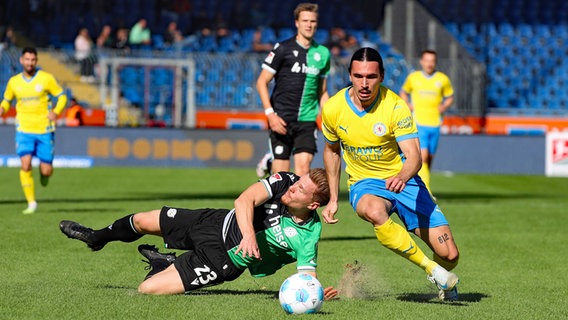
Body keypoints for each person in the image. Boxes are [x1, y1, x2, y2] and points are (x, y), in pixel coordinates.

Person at [59, 168, 338, 298]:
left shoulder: (309, 236)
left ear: (313, 204)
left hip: (222, 261)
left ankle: (162, 263)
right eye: (297, 183)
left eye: (300, 190)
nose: (293, 188)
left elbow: (306, 277)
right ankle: (96, 238)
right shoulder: (284, 180)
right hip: (214, 222)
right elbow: (243, 201)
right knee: (142, 220)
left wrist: (315, 293)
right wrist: (250, 234)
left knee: (148, 290)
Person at [321, 47, 460, 301]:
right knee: (374, 211)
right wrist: (332, 198)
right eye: (358, 76)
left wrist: (403, 176)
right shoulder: (333, 109)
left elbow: (414, 156)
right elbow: (331, 152)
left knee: (450, 256)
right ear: (350, 75)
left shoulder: (396, 106)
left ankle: (442, 271)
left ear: (382, 76)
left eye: (371, 77)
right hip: (365, 184)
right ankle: (432, 270)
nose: (364, 83)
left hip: (404, 181)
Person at [255, 3, 331, 178]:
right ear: (297, 22)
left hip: (307, 120)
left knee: (303, 172)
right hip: (281, 119)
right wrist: (270, 115)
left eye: (313, 21)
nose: (309, 24)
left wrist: (328, 118)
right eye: (305, 20)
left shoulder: (323, 54)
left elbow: (323, 91)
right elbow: (261, 82)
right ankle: (270, 160)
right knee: (281, 177)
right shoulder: (283, 49)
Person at [0, 47, 68, 214]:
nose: (30, 63)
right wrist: (2, 108)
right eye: (27, 59)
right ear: (21, 60)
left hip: (44, 129)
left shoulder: (46, 79)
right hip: (24, 129)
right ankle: (31, 203)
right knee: (25, 164)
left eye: (33, 60)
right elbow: (7, 100)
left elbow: (62, 96)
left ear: (36, 61)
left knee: (46, 170)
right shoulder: (14, 82)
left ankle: (44, 175)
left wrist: (56, 112)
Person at [399, 50, 454, 192]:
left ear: (435, 62)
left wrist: (444, 106)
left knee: (429, 158)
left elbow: (450, 97)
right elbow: (403, 92)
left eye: (432, 61)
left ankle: (420, 184)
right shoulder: (414, 77)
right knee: (422, 156)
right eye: (427, 60)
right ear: (422, 62)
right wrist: (408, 105)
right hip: (419, 122)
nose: (429, 63)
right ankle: (427, 191)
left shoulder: (442, 79)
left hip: (435, 123)